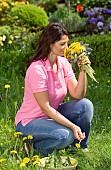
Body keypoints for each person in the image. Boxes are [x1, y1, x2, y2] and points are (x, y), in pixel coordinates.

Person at [15, 22, 94, 156]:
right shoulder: (37, 69)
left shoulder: (63, 63)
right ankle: (34, 147)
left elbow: (77, 94)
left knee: (86, 105)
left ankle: (79, 147)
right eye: (62, 44)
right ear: (50, 44)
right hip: (30, 122)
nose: (66, 48)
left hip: (51, 116)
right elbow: (46, 108)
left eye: (67, 43)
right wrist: (72, 126)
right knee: (65, 135)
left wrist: (82, 70)